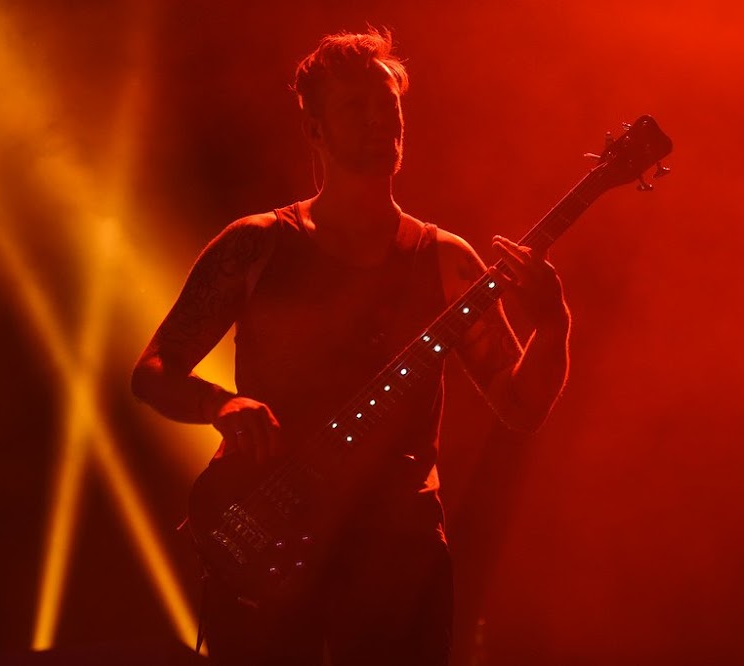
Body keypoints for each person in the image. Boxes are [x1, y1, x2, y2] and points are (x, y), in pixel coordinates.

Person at [132, 28, 570, 666]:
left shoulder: (445, 260)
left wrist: (553, 326)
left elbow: (520, 406)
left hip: (400, 554)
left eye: (388, 106)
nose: (378, 120)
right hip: (274, 542)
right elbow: (153, 370)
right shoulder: (256, 245)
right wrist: (220, 405)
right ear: (314, 129)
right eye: (355, 107)